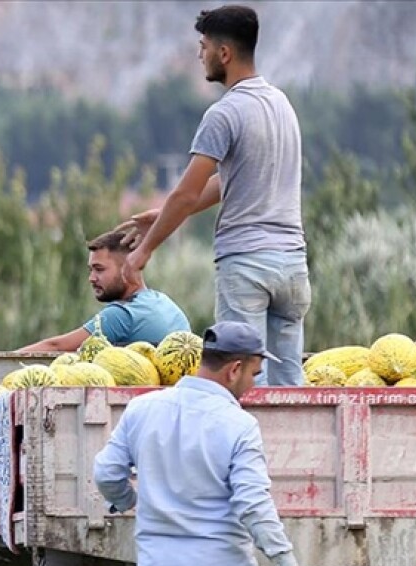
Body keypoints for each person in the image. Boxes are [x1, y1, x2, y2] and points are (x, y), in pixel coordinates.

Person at [94, 320, 316, 566]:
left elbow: (106, 473)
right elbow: (253, 505)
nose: (252, 384)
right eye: (253, 373)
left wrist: (130, 499)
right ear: (234, 369)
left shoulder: (143, 409)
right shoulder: (238, 425)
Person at [117, 5, 310, 386]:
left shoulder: (224, 114)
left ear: (224, 53)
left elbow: (187, 193)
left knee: (239, 382)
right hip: (292, 266)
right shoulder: (281, 105)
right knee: (289, 383)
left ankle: (245, 449)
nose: (199, 54)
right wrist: (163, 213)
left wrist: (143, 251)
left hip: (247, 266)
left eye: (203, 46)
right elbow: (227, 183)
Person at [18, 229, 190, 353]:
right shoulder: (165, 302)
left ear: (128, 267)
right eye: (90, 270)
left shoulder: (123, 315)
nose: (91, 278)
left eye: (99, 269)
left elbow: (56, 347)